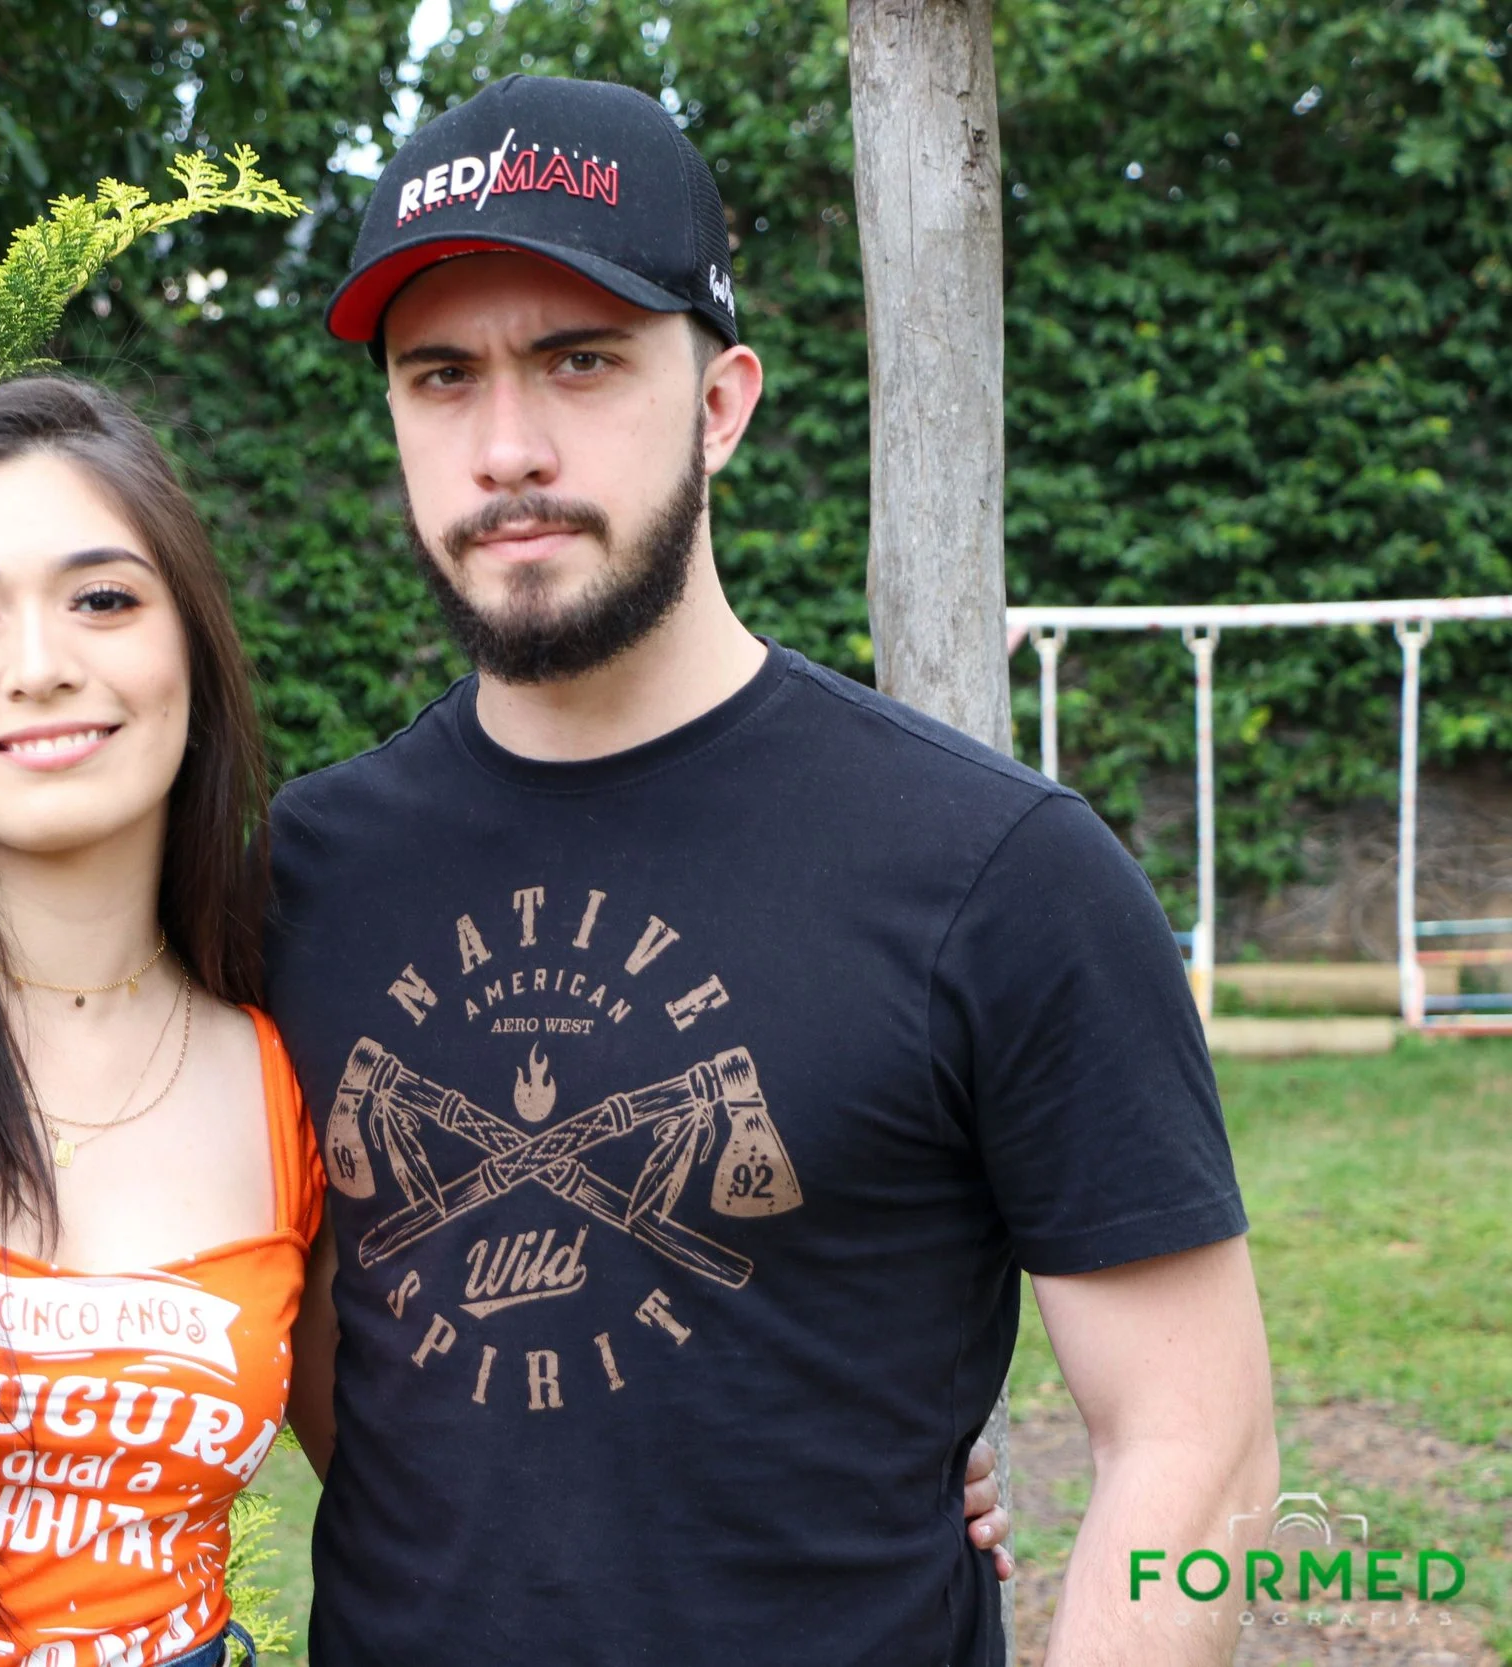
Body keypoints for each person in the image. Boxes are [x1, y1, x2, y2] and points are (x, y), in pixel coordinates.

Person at [0, 373, 1013, 1666]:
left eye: (104, 599)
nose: (40, 665)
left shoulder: (284, 1065)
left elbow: (459, 1445)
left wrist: (840, 1468)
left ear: (191, 645)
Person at [266, 72, 1280, 1667]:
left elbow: (1199, 1449)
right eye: (441, 376)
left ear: (722, 403)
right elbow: (349, 1362)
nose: (506, 446)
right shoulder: (298, 874)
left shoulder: (997, 871)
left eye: (581, 359)